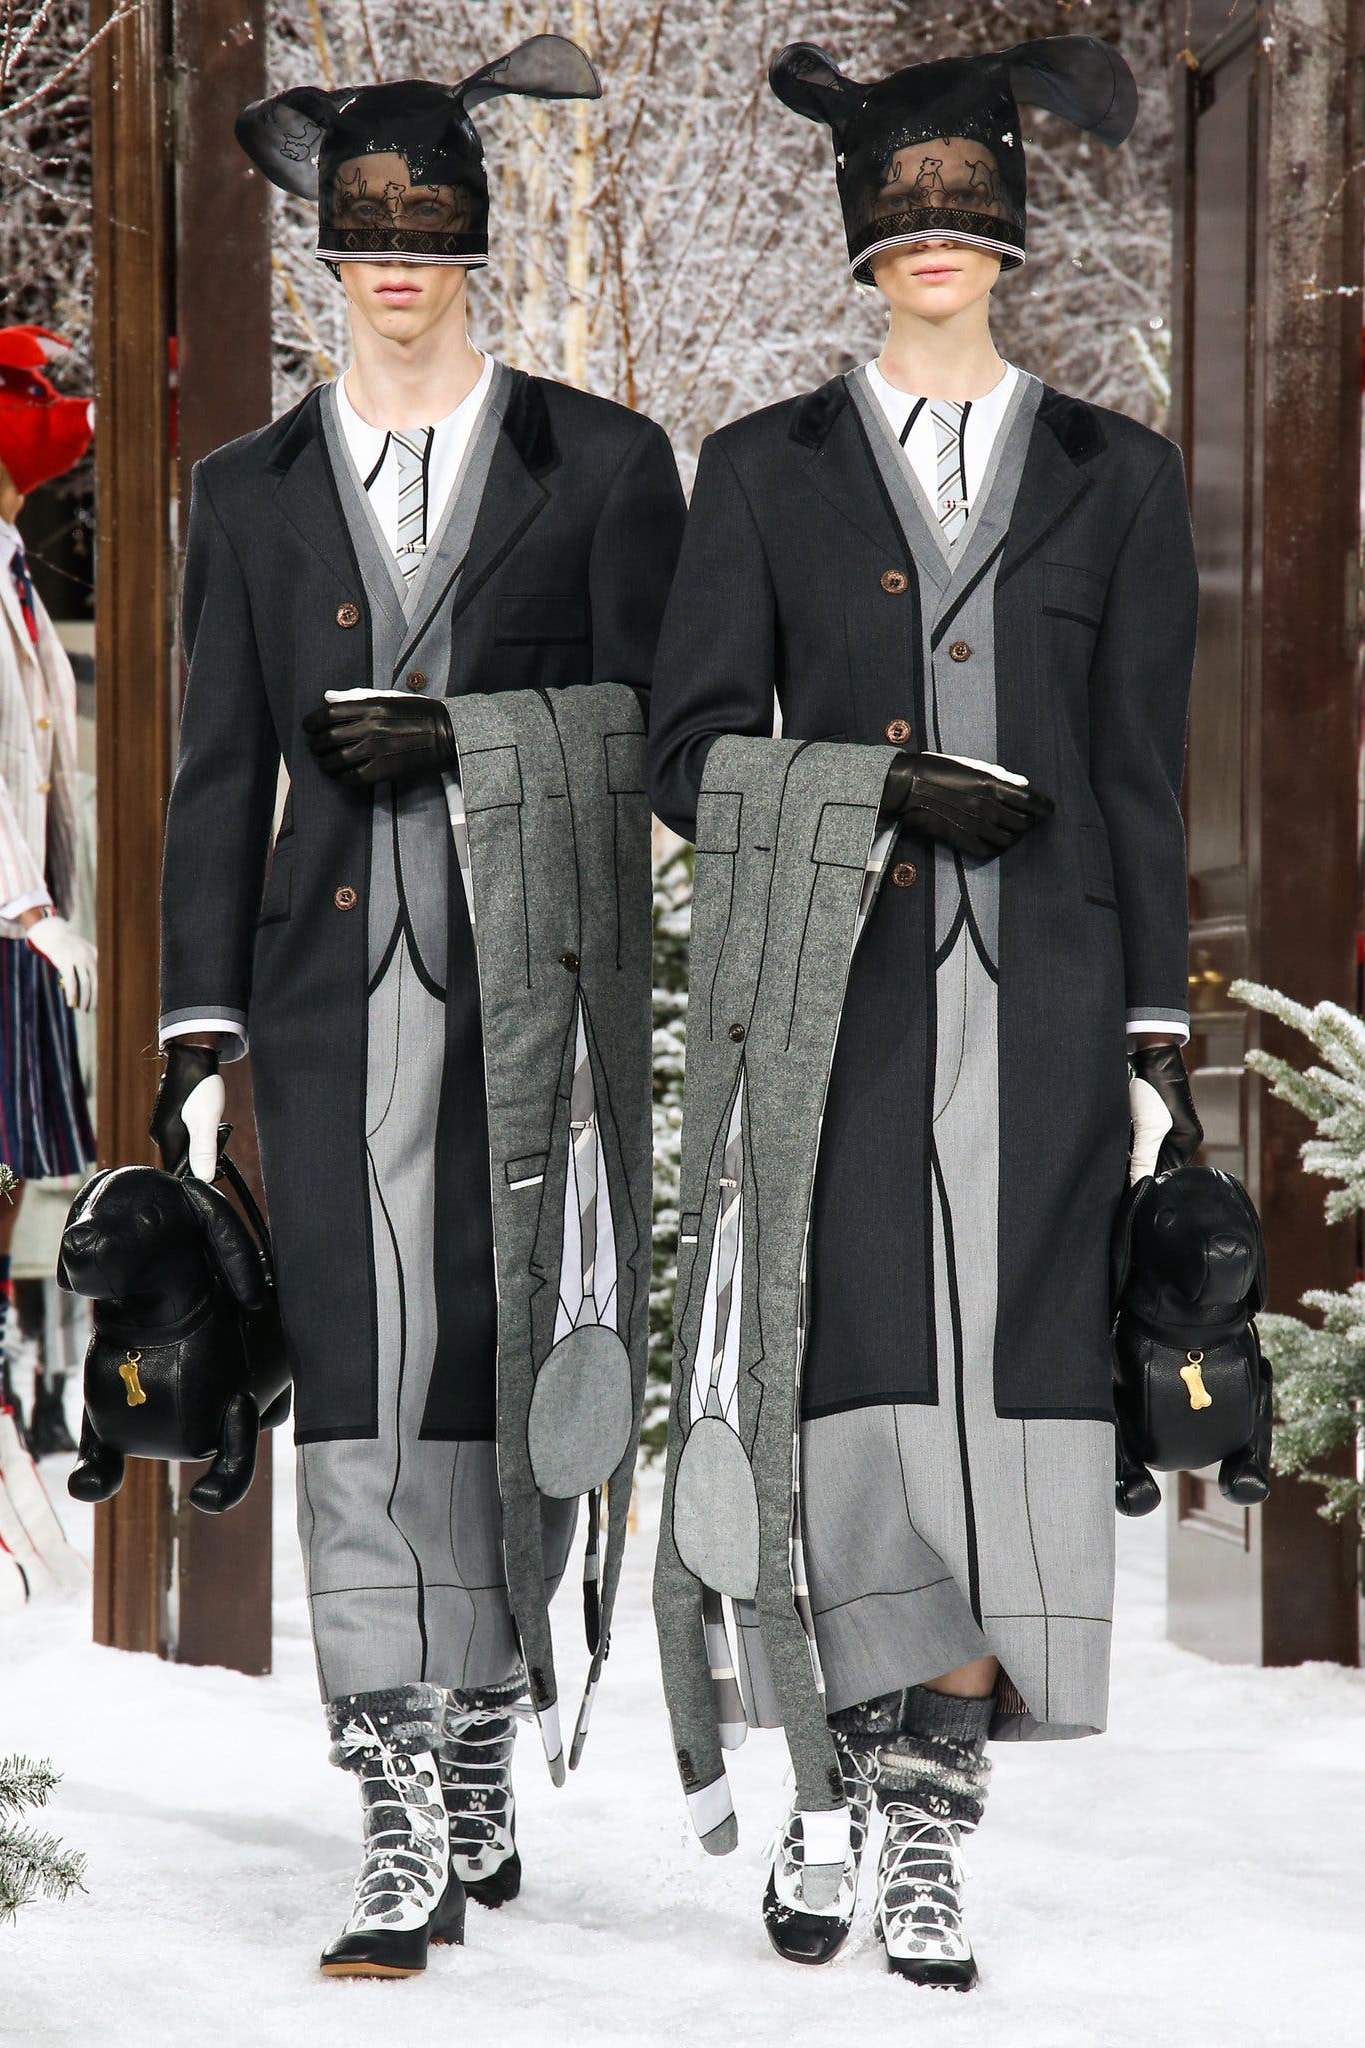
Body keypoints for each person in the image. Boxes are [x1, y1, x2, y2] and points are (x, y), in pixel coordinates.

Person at [649, 34, 1202, 1990]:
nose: (934, 242)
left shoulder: (1119, 482)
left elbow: (1138, 778)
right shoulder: (764, 474)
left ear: (1010, 233)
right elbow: (687, 751)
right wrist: (865, 789)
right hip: (845, 1014)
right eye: (901, 215)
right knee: (864, 1405)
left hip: (1049, 1017)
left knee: (1011, 1424)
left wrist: (1157, 1050)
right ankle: (838, 1771)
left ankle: (928, 1821)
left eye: (965, 208)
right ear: (861, 242)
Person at [151, 35, 684, 1979]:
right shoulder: (249, 493)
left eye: (429, 233)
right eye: (365, 234)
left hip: (534, 995)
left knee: (494, 1369)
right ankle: (391, 1783)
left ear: (476, 242)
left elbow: (659, 732)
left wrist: (471, 742)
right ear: (327, 248)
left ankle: (479, 1707)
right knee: (361, 1376)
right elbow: (217, 770)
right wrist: (198, 1032)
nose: (397, 266)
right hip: (323, 1000)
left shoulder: (602, 468)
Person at [0, 326, 96, 1439]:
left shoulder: (13, 564)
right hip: (10, 916)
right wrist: (30, 908)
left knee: (13, 1161)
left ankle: (12, 1361)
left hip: (23, 919)